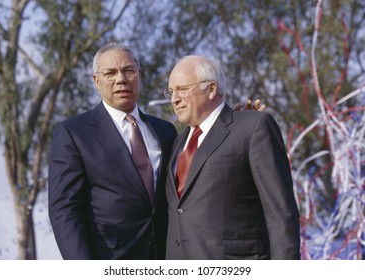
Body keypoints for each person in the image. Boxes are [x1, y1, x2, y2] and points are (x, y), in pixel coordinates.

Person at [48, 42, 177, 259]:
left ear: (139, 75)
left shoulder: (165, 131)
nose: (121, 79)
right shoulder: (73, 133)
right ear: (96, 81)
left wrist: (237, 123)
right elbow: (64, 210)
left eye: (128, 71)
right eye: (110, 73)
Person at [164, 55, 300, 260]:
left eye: (182, 89)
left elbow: (281, 212)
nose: (174, 99)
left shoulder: (253, 127)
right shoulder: (176, 143)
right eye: (171, 92)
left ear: (211, 89)